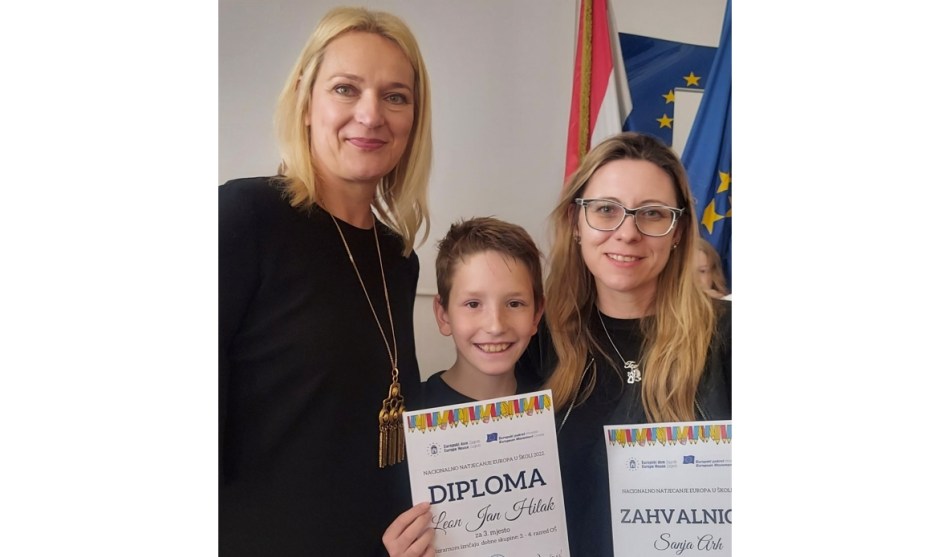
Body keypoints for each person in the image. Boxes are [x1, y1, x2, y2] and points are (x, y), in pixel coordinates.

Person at [218, 7, 433, 556]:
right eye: (345, 89)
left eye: (395, 96)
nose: (371, 114)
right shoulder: (244, 217)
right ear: (306, 101)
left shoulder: (399, 259)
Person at [517, 132, 731, 556]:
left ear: (677, 231)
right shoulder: (533, 337)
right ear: (576, 222)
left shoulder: (730, 335)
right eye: (606, 210)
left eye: (652, 214)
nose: (627, 232)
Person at [381, 217, 545, 557]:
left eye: (514, 303)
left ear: (536, 315)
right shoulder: (407, 423)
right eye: (473, 304)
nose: (495, 325)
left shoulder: (559, 413)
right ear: (443, 315)